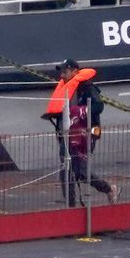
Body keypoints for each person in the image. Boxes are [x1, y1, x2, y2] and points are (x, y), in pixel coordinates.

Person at [42, 59, 119, 207]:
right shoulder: (66, 89)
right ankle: (71, 207)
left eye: (65, 72)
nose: (62, 76)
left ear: (74, 71)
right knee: (66, 171)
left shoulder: (87, 88)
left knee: (81, 172)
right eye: (61, 72)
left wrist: (80, 111)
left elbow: (98, 107)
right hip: (67, 135)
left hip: (84, 134)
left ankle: (109, 188)